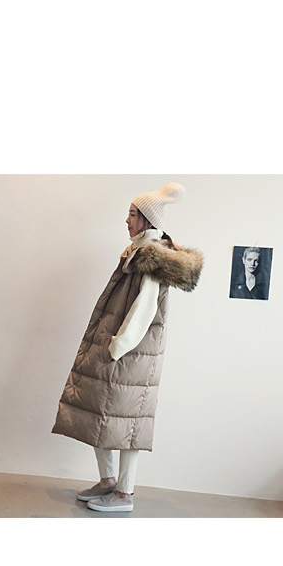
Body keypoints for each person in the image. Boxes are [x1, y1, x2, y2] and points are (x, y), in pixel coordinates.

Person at [53, 197, 203, 498]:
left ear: (148, 220)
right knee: (100, 414)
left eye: (133, 214)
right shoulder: (135, 252)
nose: (127, 220)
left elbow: (144, 309)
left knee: (128, 425)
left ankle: (124, 493)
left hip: (130, 354)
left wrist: (117, 346)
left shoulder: (153, 257)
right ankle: (108, 481)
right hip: (115, 349)